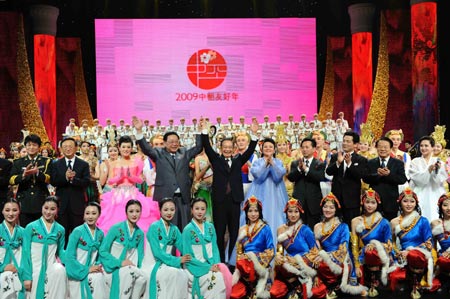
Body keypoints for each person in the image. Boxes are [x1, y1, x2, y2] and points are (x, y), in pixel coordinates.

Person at [201, 119, 258, 263]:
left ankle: (232, 260)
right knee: (219, 232)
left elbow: (251, 149)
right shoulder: (215, 159)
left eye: (229, 147)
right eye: (224, 147)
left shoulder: (239, 160)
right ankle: (220, 260)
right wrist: (203, 131)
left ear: (233, 149)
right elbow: (207, 146)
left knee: (234, 232)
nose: (227, 149)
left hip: (234, 200)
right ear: (220, 148)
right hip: (219, 201)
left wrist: (254, 134)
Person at [133, 116, 203, 231]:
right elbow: (146, 149)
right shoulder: (158, 153)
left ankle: (183, 249)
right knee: (168, 229)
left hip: (183, 198)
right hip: (166, 197)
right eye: (171, 142)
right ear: (165, 143)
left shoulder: (184, 153)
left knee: (185, 227)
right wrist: (139, 131)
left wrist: (200, 131)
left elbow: (199, 147)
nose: (174, 144)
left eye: (176, 141)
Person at [96, 136, 159, 234]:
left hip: (133, 193)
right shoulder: (113, 163)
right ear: (119, 147)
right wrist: (119, 178)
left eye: (128, 147)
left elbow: (140, 180)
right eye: (124, 147)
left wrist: (131, 177)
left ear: (131, 148)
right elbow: (110, 181)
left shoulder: (137, 162)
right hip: (118, 194)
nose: (126, 149)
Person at [270, 198, 326, 299]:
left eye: (296, 211)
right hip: (289, 266)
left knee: (319, 292)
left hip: (305, 263)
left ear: (300, 212)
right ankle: (296, 285)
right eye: (290, 211)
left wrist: (297, 261)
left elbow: (315, 253)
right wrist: (278, 256)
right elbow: (280, 251)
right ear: (286, 212)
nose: (293, 215)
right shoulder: (280, 229)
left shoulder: (305, 229)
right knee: (274, 292)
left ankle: (298, 285)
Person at [314, 193, 367, 299]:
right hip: (325, 259)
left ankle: (336, 284)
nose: (328, 210)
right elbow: (317, 249)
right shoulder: (317, 226)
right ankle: (333, 284)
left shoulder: (343, 226)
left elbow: (343, 249)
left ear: (336, 210)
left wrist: (326, 256)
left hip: (342, 257)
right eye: (325, 207)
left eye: (331, 207)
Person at [389, 188, 440, 298]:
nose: (409, 204)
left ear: (416, 203)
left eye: (412, 201)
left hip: (421, 254)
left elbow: (428, 242)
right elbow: (391, 244)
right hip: (403, 256)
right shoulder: (394, 222)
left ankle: (417, 283)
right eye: (405, 201)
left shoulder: (423, 220)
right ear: (400, 202)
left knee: (414, 255)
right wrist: (397, 253)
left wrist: (410, 251)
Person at [142, 197, 190, 299]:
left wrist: (194, 258)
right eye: (166, 209)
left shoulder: (174, 229)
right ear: (160, 210)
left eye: (172, 210)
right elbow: (157, 253)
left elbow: (184, 248)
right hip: (153, 263)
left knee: (183, 275)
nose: (169, 212)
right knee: (174, 273)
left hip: (167, 263)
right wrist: (178, 260)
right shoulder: (154, 227)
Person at [99, 199, 147, 299]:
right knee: (130, 273)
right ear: (126, 213)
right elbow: (103, 250)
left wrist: (141, 268)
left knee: (143, 278)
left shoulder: (140, 233)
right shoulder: (115, 228)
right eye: (131, 211)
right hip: (113, 267)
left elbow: (141, 256)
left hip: (131, 267)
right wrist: (120, 263)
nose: (134, 214)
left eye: (137, 211)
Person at [350, 189, 394, 297]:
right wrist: (356, 266)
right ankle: (368, 280)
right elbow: (354, 246)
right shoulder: (356, 221)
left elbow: (389, 245)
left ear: (377, 204)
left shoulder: (384, 222)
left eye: (373, 202)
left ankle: (376, 281)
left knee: (371, 251)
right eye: (367, 202)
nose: (370, 205)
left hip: (382, 253)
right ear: (362, 203)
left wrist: (375, 244)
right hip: (364, 254)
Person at [182, 198, 229, 299]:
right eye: (197, 208)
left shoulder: (210, 227)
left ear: (206, 210)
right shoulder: (187, 230)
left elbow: (215, 249)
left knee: (220, 276)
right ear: (191, 210)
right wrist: (207, 268)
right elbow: (188, 257)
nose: (200, 212)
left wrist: (217, 264)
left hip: (212, 264)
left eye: (202, 209)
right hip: (195, 267)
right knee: (216, 279)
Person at [244, 138, 288, 242]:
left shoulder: (278, 162)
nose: (268, 149)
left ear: (274, 150)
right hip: (258, 192)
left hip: (276, 194)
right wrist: (265, 164)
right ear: (261, 149)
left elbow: (279, 176)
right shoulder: (257, 162)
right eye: (266, 147)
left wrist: (272, 164)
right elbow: (257, 175)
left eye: (270, 147)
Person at [23, 196, 67, 299]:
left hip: (51, 269)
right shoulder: (31, 227)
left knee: (60, 269)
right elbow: (25, 253)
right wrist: (27, 276)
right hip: (34, 270)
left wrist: (72, 264)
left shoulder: (60, 229)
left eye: (52, 209)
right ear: (41, 207)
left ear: (57, 210)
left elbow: (61, 252)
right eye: (46, 208)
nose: (48, 212)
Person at [231, 196, 274, 299]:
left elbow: (271, 251)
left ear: (260, 212)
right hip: (245, 269)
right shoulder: (242, 229)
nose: (253, 214)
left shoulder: (265, 228)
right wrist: (244, 263)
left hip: (261, 268)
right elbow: (239, 253)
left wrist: (254, 259)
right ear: (246, 212)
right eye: (250, 211)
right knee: (234, 294)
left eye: (256, 211)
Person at [50, 137, 90, 241]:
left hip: (77, 205)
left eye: (70, 146)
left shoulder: (83, 164)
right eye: (65, 147)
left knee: (78, 234)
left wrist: (73, 180)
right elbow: (53, 181)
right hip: (61, 205)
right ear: (61, 149)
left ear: (76, 148)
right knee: (62, 234)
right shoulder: (56, 164)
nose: (68, 149)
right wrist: (65, 178)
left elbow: (86, 182)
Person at [326, 131, 368, 226]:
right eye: (344, 141)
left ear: (355, 144)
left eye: (348, 141)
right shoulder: (335, 156)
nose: (345, 143)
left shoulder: (361, 160)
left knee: (351, 226)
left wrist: (349, 164)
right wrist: (338, 163)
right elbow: (328, 172)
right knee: (335, 226)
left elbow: (360, 175)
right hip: (336, 198)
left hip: (352, 200)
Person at [66, 202, 107, 299]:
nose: (90, 216)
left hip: (92, 271)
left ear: (99, 215)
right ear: (83, 215)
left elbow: (101, 255)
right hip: (76, 273)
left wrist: (97, 266)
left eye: (94, 213)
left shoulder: (100, 234)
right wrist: (86, 269)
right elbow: (69, 256)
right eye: (87, 213)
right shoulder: (77, 231)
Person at [9, 134, 52, 227]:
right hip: (24, 200)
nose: (31, 147)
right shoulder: (18, 162)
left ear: (39, 147)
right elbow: (11, 180)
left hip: (41, 200)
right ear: (25, 146)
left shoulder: (46, 161)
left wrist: (38, 173)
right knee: (25, 230)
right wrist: (23, 175)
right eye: (29, 145)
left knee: (42, 229)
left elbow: (49, 178)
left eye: (34, 145)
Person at [364, 137, 408, 220]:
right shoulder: (370, 162)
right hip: (373, 201)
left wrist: (389, 174)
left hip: (391, 201)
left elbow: (402, 179)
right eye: (380, 146)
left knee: (390, 227)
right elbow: (365, 178)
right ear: (376, 148)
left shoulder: (398, 163)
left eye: (385, 147)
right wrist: (377, 175)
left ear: (390, 148)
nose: (382, 149)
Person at [287, 137, 325, 228]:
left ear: (314, 149)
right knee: (297, 230)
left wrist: (306, 169)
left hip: (314, 202)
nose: (304, 149)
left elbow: (320, 177)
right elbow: (291, 178)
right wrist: (299, 169)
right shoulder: (295, 164)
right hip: (299, 202)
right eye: (302, 147)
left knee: (313, 230)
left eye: (307, 147)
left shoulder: (319, 164)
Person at [408, 136, 447, 221]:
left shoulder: (439, 162)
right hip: (419, 192)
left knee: (435, 218)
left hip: (435, 192)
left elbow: (439, 180)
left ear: (432, 147)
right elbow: (417, 180)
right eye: (421, 146)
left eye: (426, 146)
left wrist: (437, 171)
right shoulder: (415, 161)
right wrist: (428, 171)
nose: (423, 148)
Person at [0, 199, 30, 299]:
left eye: (14, 210)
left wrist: (27, 277)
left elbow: (27, 256)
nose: (11, 214)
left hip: (19, 271)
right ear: (2, 211)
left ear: (19, 211)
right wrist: (3, 267)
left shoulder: (23, 232)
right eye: (7, 210)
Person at [431, 192, 450, 293]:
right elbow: (433, 246)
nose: (449, 208)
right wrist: (435, 260)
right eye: (445, 205)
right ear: (440, 207)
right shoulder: (435, 223)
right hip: (443, 258)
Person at [193, 149, 214, 222]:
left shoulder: (214, 156)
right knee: (204, 209)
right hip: (203, 187)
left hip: (214, 187)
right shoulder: (198, 158)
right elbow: (197, 176)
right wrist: (207, 166)